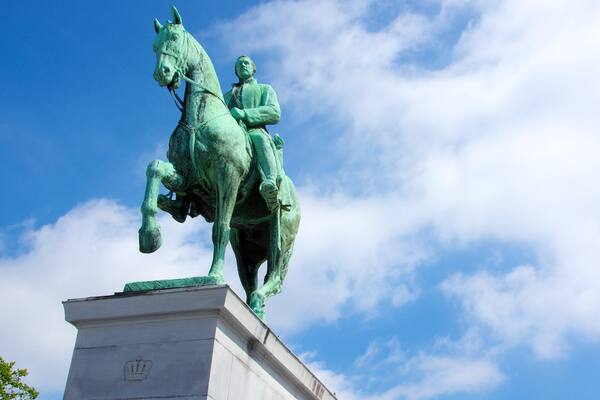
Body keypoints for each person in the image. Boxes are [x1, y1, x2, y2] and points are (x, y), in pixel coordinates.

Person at [224, 55, 281, 211]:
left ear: (253, 68)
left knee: (259, 139)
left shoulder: (264, 89)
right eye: (239, 64)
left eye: (246, 63)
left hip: (254, 131)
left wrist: (244, 114)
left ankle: (269, 184)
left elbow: (274, 113)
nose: (243, 65)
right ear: (236, 71)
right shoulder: (226, 96)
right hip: (228, 136)